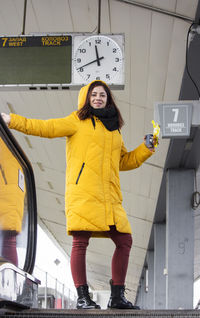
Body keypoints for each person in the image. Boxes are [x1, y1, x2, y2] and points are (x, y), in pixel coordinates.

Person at [1, 80, 156, 310]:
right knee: (80, 241)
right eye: (94, 94)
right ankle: (83, 297)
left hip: (109, 197)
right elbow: (45, 127)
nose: (98, 98)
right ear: (86, 97)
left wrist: (146, 149)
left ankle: (117, 297)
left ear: (108, 99)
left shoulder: (114, 130)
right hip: (83, 192)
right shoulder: (77, 121)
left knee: (124, 241)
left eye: (103, 94)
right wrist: (12, 121)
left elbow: (123, 161)